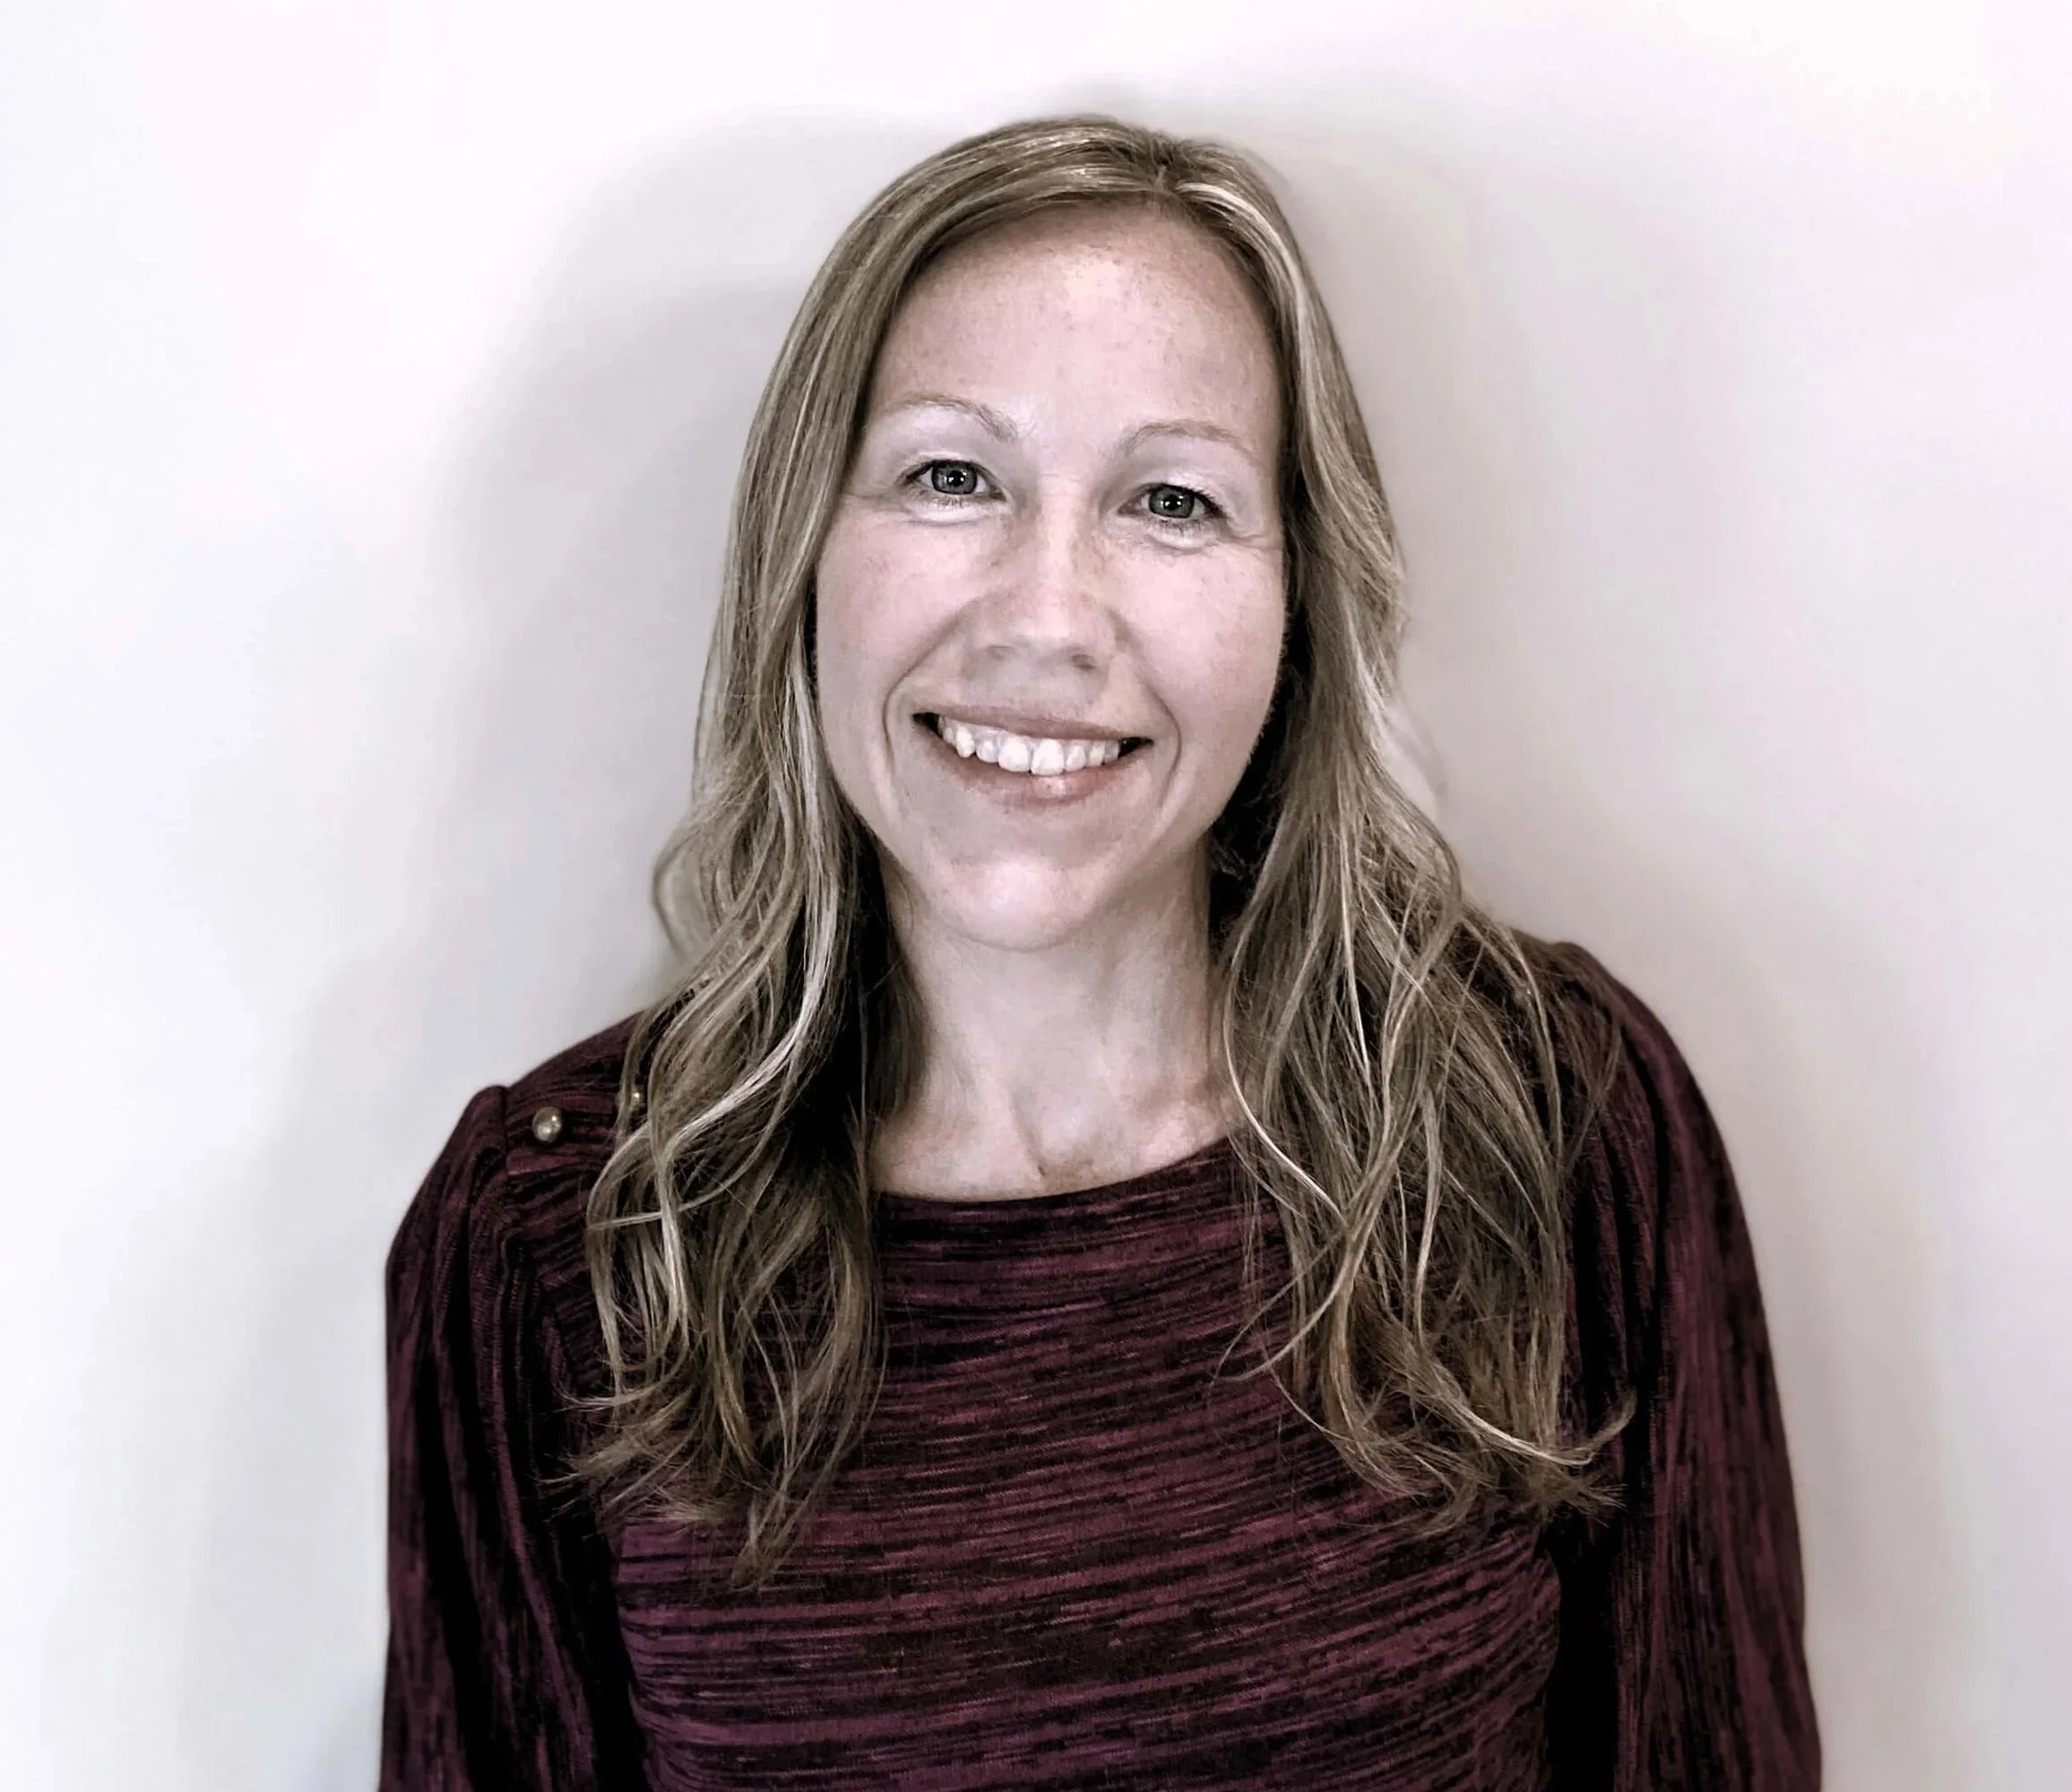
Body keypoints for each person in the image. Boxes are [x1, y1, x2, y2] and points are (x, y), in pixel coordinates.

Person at [381, 116, 1819, 1789]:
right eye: (949, 475)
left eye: (1174, 500)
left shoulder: (1549, 1118)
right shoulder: (559, 1239)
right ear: (808, 557)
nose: (1046, 617)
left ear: (1298, 604)